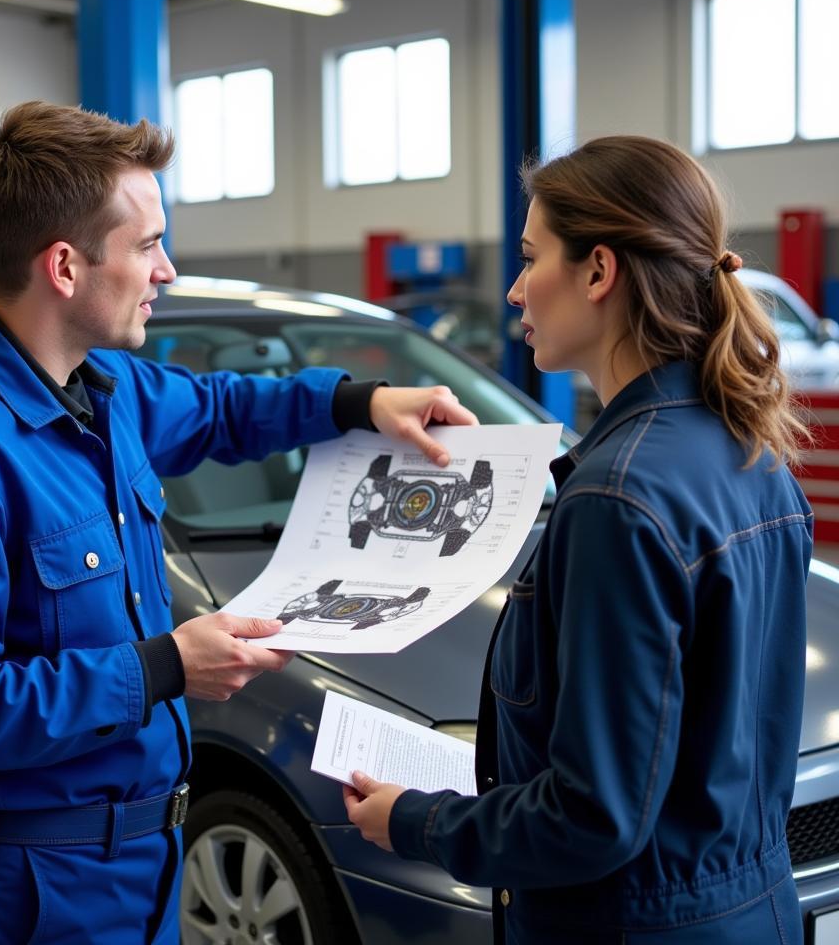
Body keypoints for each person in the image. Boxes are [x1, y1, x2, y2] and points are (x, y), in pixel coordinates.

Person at [0, 100, 477, 945]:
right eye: (148, 245)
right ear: (66, 267)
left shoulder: (102, 390)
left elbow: (223, 409)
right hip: (23, 894)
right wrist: (162, 668)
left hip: (141, 870)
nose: (168, 270)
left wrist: (361, 400)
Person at [344, 135, 812, 944]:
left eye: (531, 260)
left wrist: (417, 822)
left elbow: (593, 817)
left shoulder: (616, 498)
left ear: (599, 272)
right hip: (753, 909)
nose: (518, 293)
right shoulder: (749, 450)